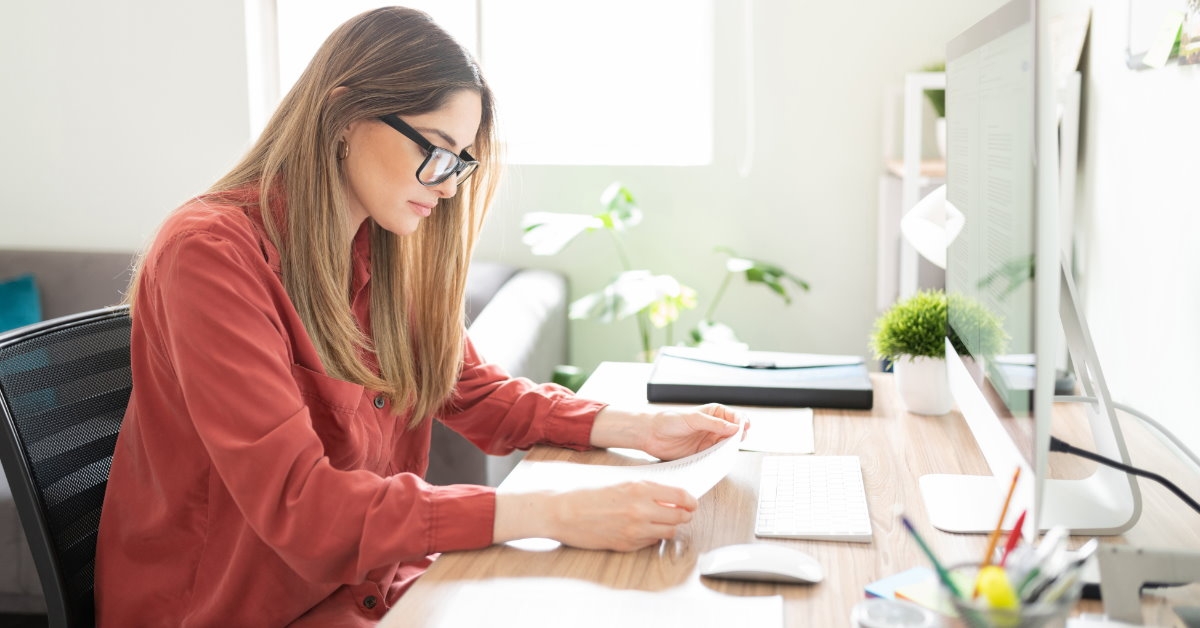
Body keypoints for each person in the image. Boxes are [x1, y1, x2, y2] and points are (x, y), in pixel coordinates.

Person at [94, 7, 742, 626]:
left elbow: (477, 392)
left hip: (371, 591)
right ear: (342, 114)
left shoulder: (378, 249)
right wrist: (552, 511)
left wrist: (639, 427)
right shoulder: (211, 254)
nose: (449, 184)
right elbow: (303, 509)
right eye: (434, 150)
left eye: (460, 160)